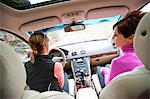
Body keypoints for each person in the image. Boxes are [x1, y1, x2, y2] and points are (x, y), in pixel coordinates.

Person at [97, 10, 145, 88]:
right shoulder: (146, 56)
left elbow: (109, 84)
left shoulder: (118, 62)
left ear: (130, 38)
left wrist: (104, 71)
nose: (112, 38)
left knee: (100, 69)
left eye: (116, 35)